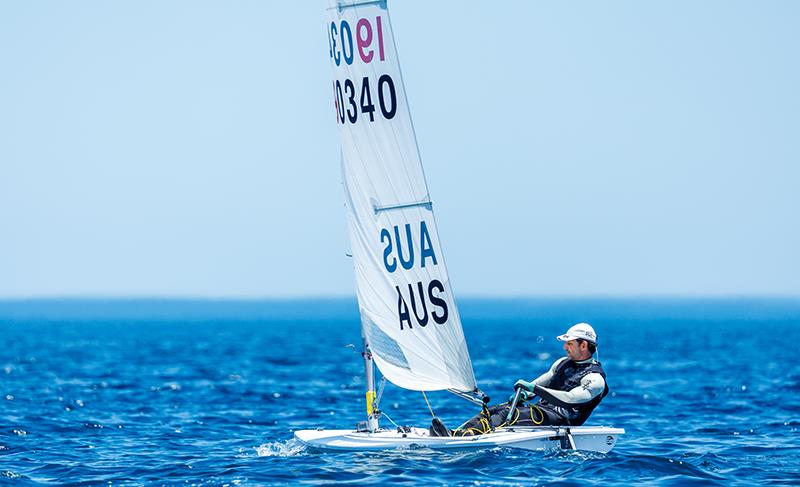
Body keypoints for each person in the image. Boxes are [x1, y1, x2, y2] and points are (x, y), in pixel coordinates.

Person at [429, 323, 609, 437]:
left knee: (508, 415)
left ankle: (464, 438)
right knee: (494, 410)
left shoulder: (595, 379)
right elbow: (537, 385)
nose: (564, 347)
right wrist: (525, 393)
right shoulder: (562, 363)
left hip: (560, 420)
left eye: (569, 343)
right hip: (543, 412)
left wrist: (534, 389)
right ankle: (455, 434)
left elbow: (569, 399)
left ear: (583, 345)